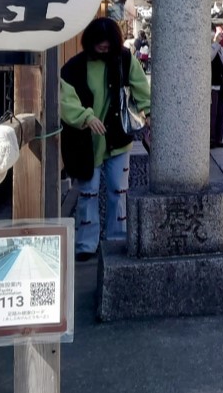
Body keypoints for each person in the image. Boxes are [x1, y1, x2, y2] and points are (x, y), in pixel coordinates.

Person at [59, 17, 152, 261]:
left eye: (108, 42)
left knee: (118, 191)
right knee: (88, 193)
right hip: (85, 142)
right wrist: (86, 117)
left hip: (117, 140)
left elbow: (141, 87)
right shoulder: (73, 67)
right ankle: (85, 245)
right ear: (89, 41)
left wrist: (150, 113)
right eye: (99, 42)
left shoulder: (124, 59)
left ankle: (116, 239)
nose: (104, 47)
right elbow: (65, 101)